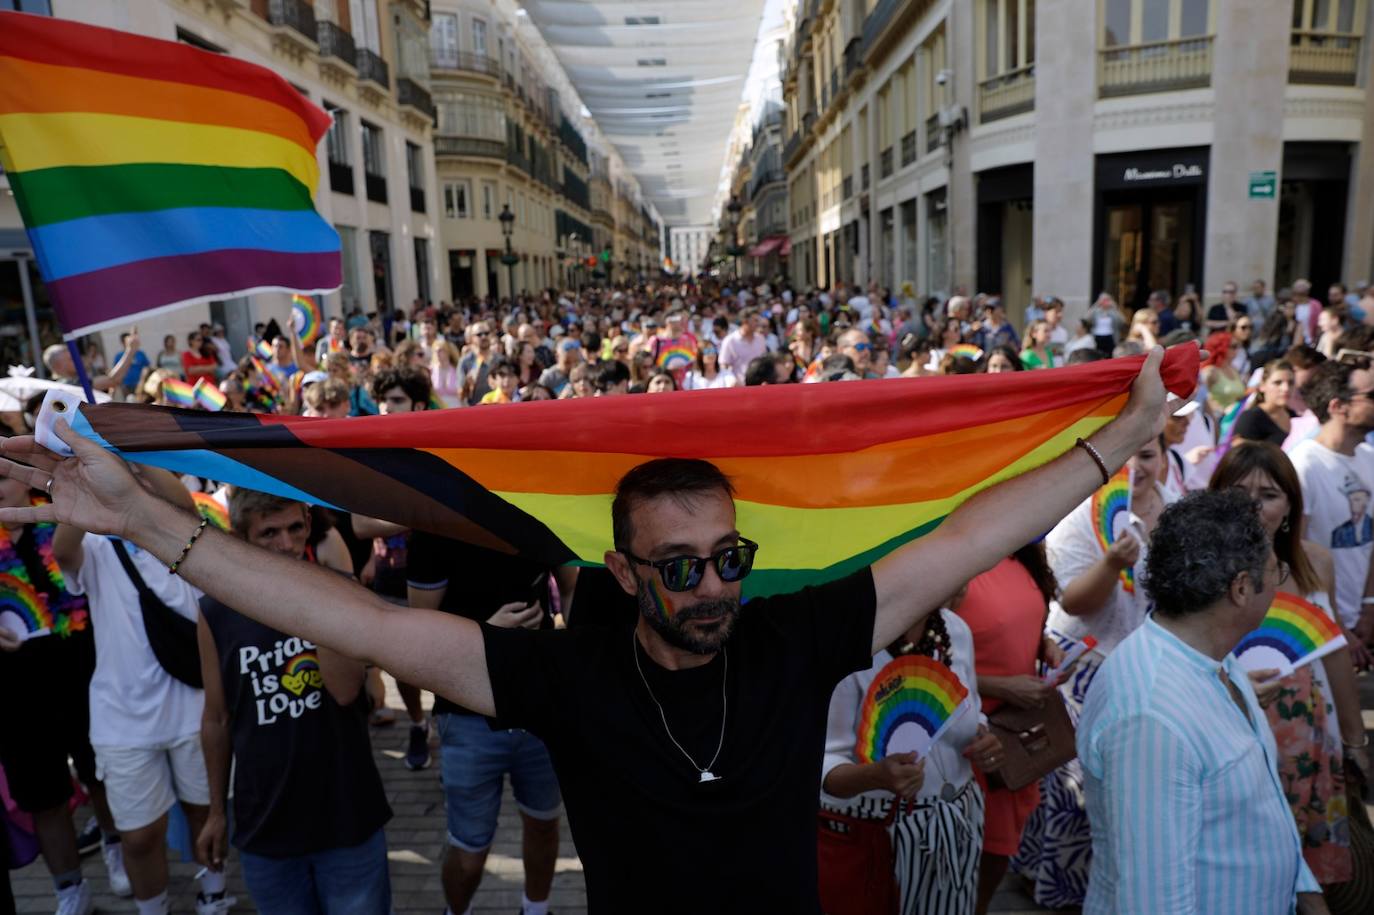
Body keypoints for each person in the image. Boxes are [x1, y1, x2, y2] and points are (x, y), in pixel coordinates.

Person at [0, 349, 1173, 912]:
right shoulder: (563, 676)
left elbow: (963, 540)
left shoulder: (799, 633)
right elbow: (351, 615)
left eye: (729, 559)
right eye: (680, 567)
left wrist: (1114, 447)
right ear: (620, 569)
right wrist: (158, 530)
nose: (714, 587)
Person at [1077, 490, 1325, 915]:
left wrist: (1305, 894)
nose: (1280, 579)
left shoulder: (1214, 655)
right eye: (1275, 569)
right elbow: (1153, 904)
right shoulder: (1151, 716)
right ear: (1242, 589)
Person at [196, 489, 392, 914]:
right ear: (242, 536)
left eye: (294, 529)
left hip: (346, 816)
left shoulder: (337, 591)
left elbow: (344, 690)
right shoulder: (217, 610)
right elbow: (216, 718)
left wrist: (310, 592)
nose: (285, 544)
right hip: (266, 824)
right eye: (268, 533)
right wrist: (215, 811)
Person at [50, 465, 232, 915]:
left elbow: (186, 504)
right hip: (122, 719)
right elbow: (61, 549)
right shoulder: (93, 547)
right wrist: (89, 470)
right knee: (138, 836)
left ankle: (214, 891)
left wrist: (131, 457)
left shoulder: (182, 537)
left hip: (193, 706)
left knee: (204, 812)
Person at [1013, 437, 1176, 908]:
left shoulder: (1178, 510)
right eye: (1126, 455)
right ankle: (1058, 888)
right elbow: (1073, 602)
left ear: (1164, 457)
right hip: (1086, 667)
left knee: (1133, 791)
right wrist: (1111, 564)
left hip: (1154, 667)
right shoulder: (1079, 516)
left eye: (1147, 455)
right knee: (1076, 790)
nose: (1136, 467)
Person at [1210, 444, 1368, 895]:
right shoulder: (1198, 568)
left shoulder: (1316, 560)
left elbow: (1333, 650)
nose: (1254, 506)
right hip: (1233, 734)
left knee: (1309, 877)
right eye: (1239, 492)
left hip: (1313, 737)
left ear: (1291, 506)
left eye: (1269, 494)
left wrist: (1355, 741)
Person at [821, 586, 1003, 915]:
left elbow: (969, 708)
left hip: (957, 824)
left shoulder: (954, 630)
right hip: (876, 842)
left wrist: (982, 735)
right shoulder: (847, 643)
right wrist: (874, 776)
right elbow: (822, 765)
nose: (962, 583)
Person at [958, 545, 1063, 915]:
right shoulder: (955, 562)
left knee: (995, 860)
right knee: (968, 864)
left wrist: (1043, 644)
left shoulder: (1021, 550)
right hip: (972, 740)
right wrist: (1000, 687)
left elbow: (1021, 617)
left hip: (1017, 737)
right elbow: (921, 657)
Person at [1289, 360, 1374, 639]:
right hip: (1320, 628)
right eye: (1371, 396)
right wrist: (1332, 623)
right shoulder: (1304, 466)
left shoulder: (1369, 459)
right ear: (1338, 406)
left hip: (1362, 622)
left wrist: (1369, 606)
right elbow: (1295, 556)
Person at [1234, 360, 1297, 446]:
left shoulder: (1294, 415)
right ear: (1262, 386)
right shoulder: (1251, 418)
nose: (1286, 388)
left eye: (1291, 383)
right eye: (1277, 383)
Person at [719, 308, 769, 383]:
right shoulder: (730, 341)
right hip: (739, 388)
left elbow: (764, 361)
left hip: (760, 386)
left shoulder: (760, 339)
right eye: (755, 320)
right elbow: (723, 366)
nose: (758, 323)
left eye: (758, 320)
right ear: (745, 321)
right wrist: (732, 382)